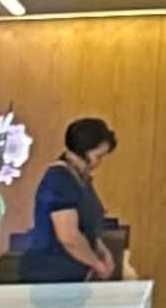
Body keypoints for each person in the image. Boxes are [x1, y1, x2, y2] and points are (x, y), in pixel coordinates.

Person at [9, 115, 126, 284]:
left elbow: (85, 227)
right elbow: (68, 236)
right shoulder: (59, 179)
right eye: (98, 156)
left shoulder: (80, 178)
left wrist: (101, 250)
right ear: (84, 150)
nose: (99, 162)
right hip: (49, 277)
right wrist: (97, 264)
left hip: (71, 277)